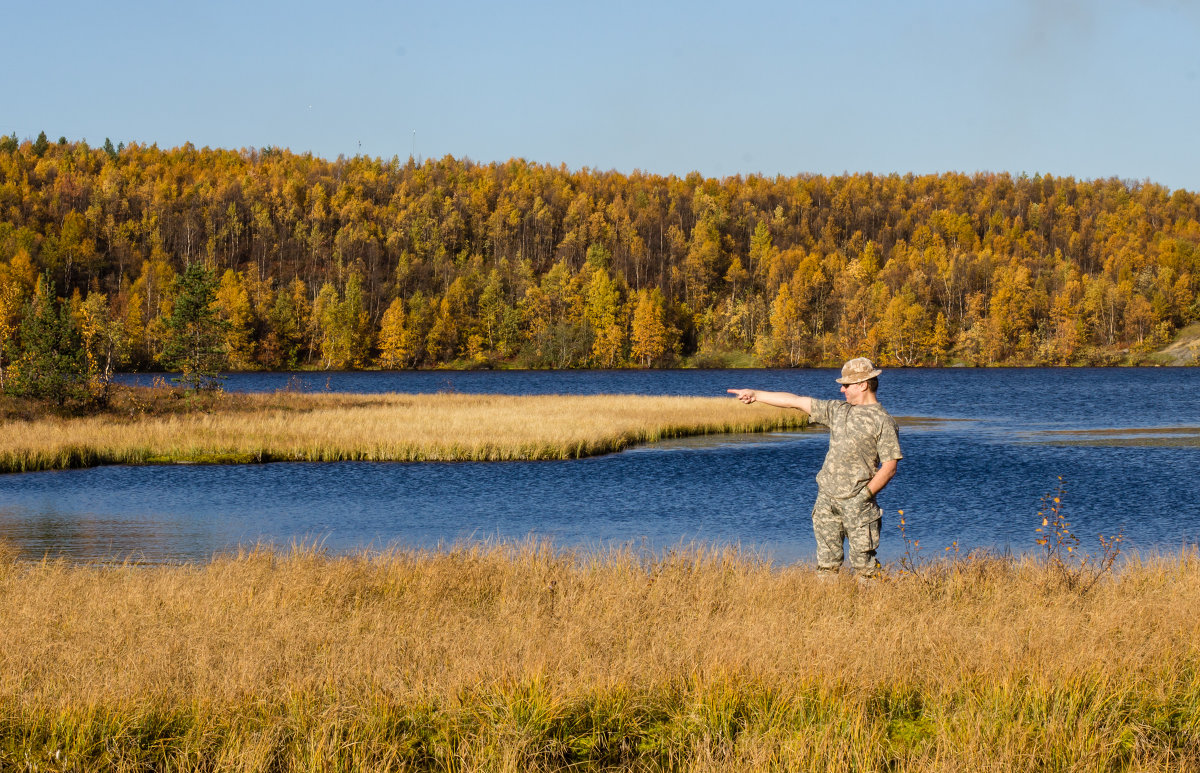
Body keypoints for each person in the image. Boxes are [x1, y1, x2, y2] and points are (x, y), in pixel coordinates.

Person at [727, 357, 901, 579]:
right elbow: (796, 401)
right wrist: (756, 394)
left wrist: (863, 497)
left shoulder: (883, 421)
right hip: (826, 502)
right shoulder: (838, 410)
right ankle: (825, 609)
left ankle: (875, 611)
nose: (841, 389)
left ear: (863, 385)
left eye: (846, 385)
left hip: (859, 506)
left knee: (865, 569)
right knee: (827, 568)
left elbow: (889, 467)